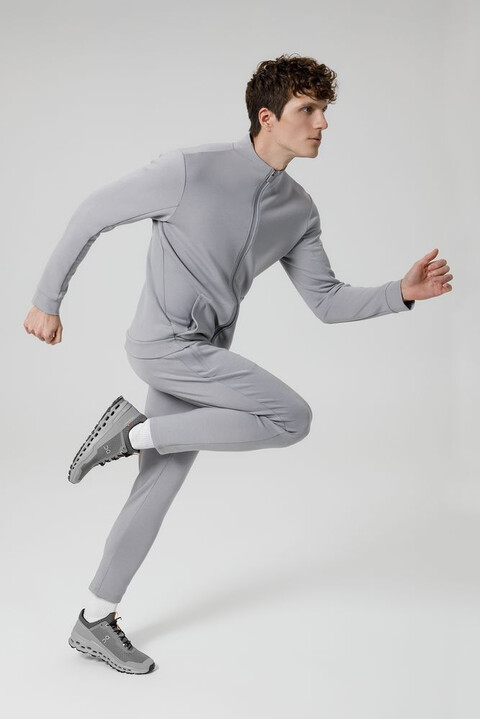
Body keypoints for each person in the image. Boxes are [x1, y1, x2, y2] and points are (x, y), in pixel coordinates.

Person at [23, 54, 453, 675]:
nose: (322, 123)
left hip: (204, 356)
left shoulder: (298, 209)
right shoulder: (189, 170)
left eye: (325, 111)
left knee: (156, 489)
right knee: (291, 416)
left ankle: (93, 618)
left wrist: (401, 293)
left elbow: (326, 302)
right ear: (267, 117)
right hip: (164, 346)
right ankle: (132, 433)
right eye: (308, 110)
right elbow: (93, 212)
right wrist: (47, 301)